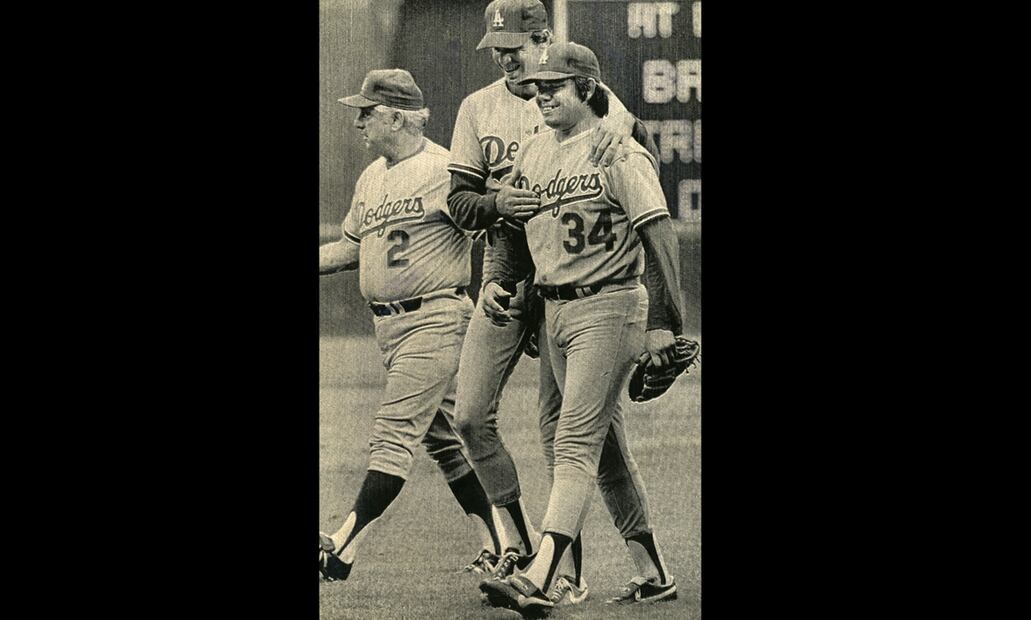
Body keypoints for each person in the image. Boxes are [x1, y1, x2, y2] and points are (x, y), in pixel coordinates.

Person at [446, 0, 659, 606]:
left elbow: (636, 166)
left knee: (571, 435)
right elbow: (461, 202)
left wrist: (664, 319)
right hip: (515, 275)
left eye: (514, 47)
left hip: (583, 282)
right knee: (471, 415)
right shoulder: (479, 107)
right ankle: (521, 543)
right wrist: (494, 211)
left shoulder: (594, 99)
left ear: (545, 40)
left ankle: (564, 572)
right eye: (497, 50)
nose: (505, 60)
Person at [317, 68, 503, 582]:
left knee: (392, 433)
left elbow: (494, 221)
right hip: (389, 328)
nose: (358, 121)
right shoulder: (372, 176)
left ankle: (342, 546)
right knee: (444, 440)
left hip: (436, 317)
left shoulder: (446, 168)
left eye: (367, 112)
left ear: (398, 117)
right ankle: (501, 543)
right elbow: (350, 248)